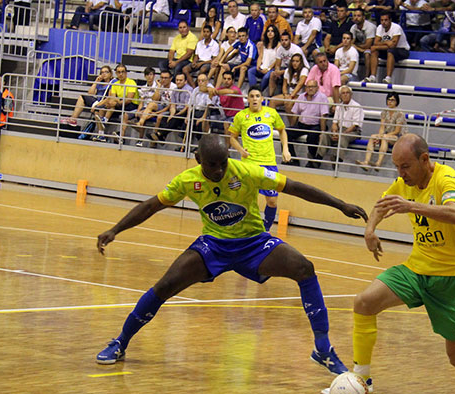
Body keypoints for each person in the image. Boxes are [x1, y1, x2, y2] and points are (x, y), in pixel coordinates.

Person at [95, 134, 368, 377]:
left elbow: (295, 187)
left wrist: (340, 204)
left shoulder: (248, 171)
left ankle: (322, 348)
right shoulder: (187, 181)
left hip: (253, 244)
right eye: (211, 164)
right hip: (213, 246)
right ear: (198, 159)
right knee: (165, 285)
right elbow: (150, 206)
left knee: (304, 268)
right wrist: (115, 229)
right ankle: (120, 341)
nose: (218, 170)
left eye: (222, 163)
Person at [319, 133, 455, 394]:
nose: (401, 173)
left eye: (405, 166)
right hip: (417, 269)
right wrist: (370, 230)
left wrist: (411, 206)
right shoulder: (403, 183)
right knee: (363, 303)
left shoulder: (447, 178)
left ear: (425, 159)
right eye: (396, 167)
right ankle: (362, 380)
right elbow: (382, 205)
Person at [227, 86, 291, 230]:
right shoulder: (241, 116)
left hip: (269, 163)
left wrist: (285, 149)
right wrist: (241, 151)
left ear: (262, 99)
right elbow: (232, 138)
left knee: (272, 201)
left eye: (257, 96)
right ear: (248, 99)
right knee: (246, 199)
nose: (255, 99)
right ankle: (241, 228)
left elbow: (282, 131)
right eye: (252, 96)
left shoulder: (271, 113)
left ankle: (266, 230)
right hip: (249, 164)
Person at [356, 91, 407, 169]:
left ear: (396, 102)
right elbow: (382, 127)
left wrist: (382, 136)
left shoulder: (400, 114)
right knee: (373, 137)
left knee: (385, 137)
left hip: (398, 137)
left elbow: (397, 131)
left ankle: (378, 163)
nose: (390, 101)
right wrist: (379, 136)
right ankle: (366, 162)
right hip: (386, 135)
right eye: (389, 99)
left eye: (392, 100)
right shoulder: (384, 112)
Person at [287, 80, 330, 167]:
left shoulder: (322, 97)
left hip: (315, 125)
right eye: (308, 86)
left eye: (312, 86)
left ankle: (312, 160)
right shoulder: (301, 97)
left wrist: (322, 132)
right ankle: (292, 159)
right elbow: (295, 114)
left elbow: (323, 116)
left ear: (317, 88)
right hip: (302, 124)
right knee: (286, 133)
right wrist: (292, 127)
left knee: (312, 136)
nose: (310, 88)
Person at [91, 64, 139, 142]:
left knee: (112, 105)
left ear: (126, 73)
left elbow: (129, 99)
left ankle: (104, 121)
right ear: (116, 73)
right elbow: (112, 98)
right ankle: (101, 134)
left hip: (131, 105)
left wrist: (116, 103)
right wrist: (110, 103)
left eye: (123, 72)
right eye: (119, 72)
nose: (121, 74)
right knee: (102, 109)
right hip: (119, 103)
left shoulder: (131, 82)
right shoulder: (115, 84)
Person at [318, 85, 364, 165]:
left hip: (353, 132)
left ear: (351, 94)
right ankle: (318, 157)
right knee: (325, 135)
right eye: (343, 93)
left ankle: (337, 158)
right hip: (340, 130)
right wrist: (335, 132)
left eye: (347, 93)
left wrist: (341, 133)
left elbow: (355, 126)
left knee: (343, 137)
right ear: (340, 95)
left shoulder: (357, 106)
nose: (345, 95)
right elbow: (335, 123)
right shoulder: (339, 106)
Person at [363, 11, 411, 84]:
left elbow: (393, 45)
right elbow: (376, 42)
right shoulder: (379, 27)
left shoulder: (396, 28)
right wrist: (387, 42)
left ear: (390, 20)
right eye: (382, 20)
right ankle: (372, 76)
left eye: (385, 20)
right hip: (388, 49)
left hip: (402, 50)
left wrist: (382, 44)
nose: (383, 22)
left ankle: (388, 78)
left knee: (390, 50)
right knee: (373, 49)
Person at [116, 67, 160, 146]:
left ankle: (140, 140)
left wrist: (158, 88)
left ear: (154, 76)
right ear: (145, 76)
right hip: (143, 108)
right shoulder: (143, 88)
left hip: (153, 108)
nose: (149, 76)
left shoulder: (158, 87)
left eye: (151, 74)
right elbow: (141, 102)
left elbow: (155, 100)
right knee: (125, 115)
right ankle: (121, 137)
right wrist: (138, 110)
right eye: (147, 75)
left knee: (143, 115)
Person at [135, 70, 176, 146]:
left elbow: (169, 106)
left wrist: (155, 113)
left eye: (166, 78)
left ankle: (153, 141)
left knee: (159, 117)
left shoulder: (173, 88)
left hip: (170, 108)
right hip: (161, 105)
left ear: (171, 78)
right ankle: (140, 123)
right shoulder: (161, 86)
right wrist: (159, 88)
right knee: (151, 104)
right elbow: (155, 99)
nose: (163, 80)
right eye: (162, 78)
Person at [149, 73, 193, 145]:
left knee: (175, 119)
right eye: (177, 80)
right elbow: (172, 105)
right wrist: (172, 114)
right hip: (176, 110)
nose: (178, 82)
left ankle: (160, 134)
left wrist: (175, 115)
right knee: (164, 117)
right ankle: (162, 138)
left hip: (186, 111)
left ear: (185, 81)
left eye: (180, 80)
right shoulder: (175, 90)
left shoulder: (189, 90)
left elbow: (187, 106)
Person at [269, 53, 309, 124]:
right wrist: (285, 94)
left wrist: (291, 96)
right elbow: (284, 85)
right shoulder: (288, 70)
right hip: (290, 95)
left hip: (301, 96)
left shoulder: (304, 70)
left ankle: (292, 126)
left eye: (297, 61)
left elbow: (300, 84)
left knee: (288, 103)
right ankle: (272, 123)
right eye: (293, 61)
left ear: (301, 62)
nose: (295, 63)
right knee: (272, 101)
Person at [270, 31, 309, 97]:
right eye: (282, 40)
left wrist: (282, 72)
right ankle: (270, 97)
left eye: (286, 40)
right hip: (287, 68)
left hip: (300, 68)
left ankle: (294, 95)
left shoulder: (296, 50)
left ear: (290, 40)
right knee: (272, 74)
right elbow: (277, 64)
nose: (284, 42)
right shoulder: (280, 49)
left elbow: (296, 65)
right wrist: (277, 71)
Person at [248, 24, 280, 92]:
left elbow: (277, 60)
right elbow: (260, 56)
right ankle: (253, 90)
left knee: (266, 77)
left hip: (271, 68)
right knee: (250, 71)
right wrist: (258, 66)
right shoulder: (263, 44)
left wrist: (268, 69)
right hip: (263, 66)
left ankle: (259, 91)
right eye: (268, 31)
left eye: (272, 31)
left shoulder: (278, 45)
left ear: (275, 33)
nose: (270, 32)